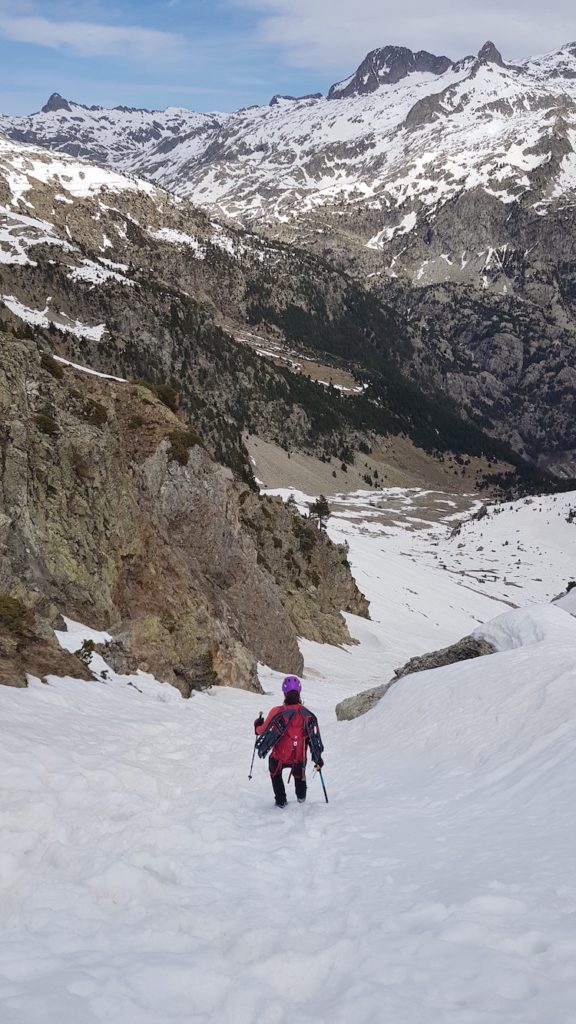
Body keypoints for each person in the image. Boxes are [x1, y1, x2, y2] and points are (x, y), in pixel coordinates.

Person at [254, 675, 324, 807]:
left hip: (280, 755)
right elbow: (312, 738)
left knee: (274, 769)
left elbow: (261, 731)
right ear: (299, 692)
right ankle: (301, 797)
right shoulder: (307, 714)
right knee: (299, 771)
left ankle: (281, 800)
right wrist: (318, 757)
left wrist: (257, 725)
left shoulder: (277, 712)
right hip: (299, 757)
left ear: (284, 693)